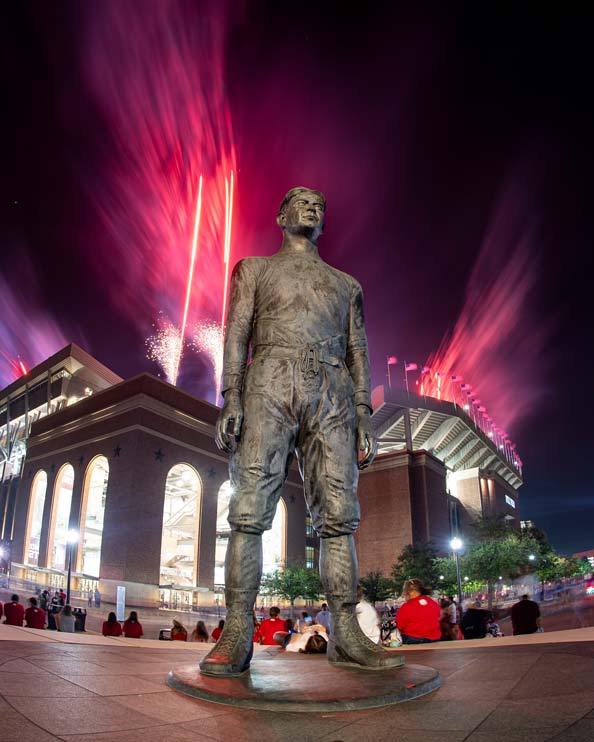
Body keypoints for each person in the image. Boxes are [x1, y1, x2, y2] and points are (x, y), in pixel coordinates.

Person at [200, 187, 402, 677]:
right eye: (301, 201)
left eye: (320, 205)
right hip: (267, 378)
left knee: (339, 514)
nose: (312, 208)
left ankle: (347, 632)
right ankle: (237, 629)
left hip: (332, 388)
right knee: (248, 510)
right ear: (280, 215)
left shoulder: (345, 285)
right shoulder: (254, 269)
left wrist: (363, 411)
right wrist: (231, 396)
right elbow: (237, 331)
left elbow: (359, 351)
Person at [395, 579, 441, 644]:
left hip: (413, 639)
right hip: (435, 638)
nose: (404, 594)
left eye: (405, 591)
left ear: (412, 592)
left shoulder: (407, 607)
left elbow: (398, 626)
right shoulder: (433, 603)